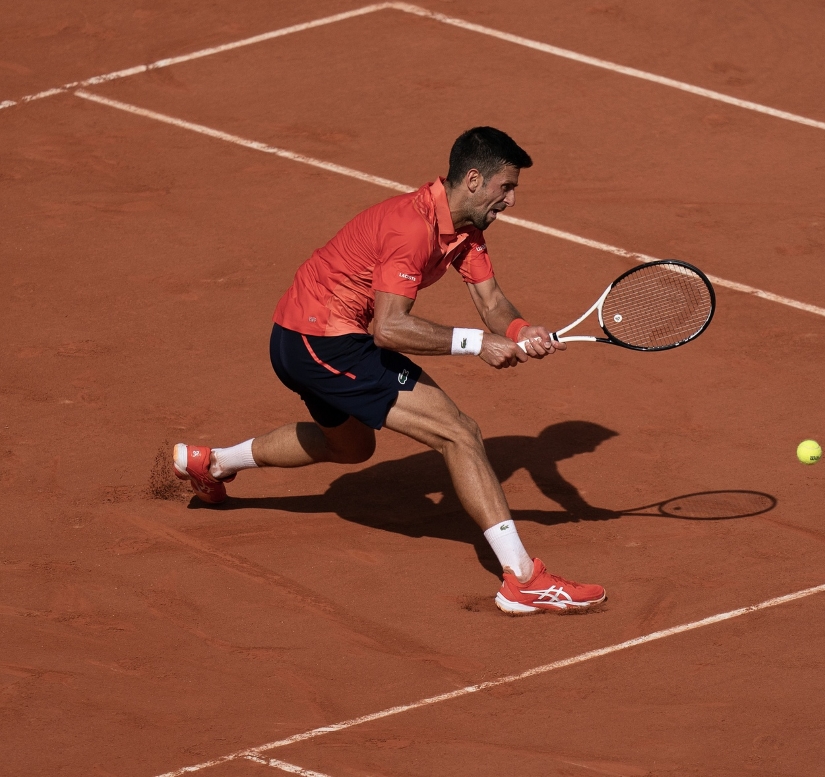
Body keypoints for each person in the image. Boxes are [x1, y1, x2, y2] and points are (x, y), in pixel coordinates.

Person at [172, 127, 605, 615]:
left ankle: (212, 464)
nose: (510, 200)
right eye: (506, 188)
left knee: (351, 446)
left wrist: (521, 329)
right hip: (323, 340)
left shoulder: (466, 231)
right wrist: (476, 343)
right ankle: (522, 579)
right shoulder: (411, 228)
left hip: (302, 336)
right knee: (459, 433)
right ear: (475, 179)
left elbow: (491, 300)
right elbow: (390, 329)